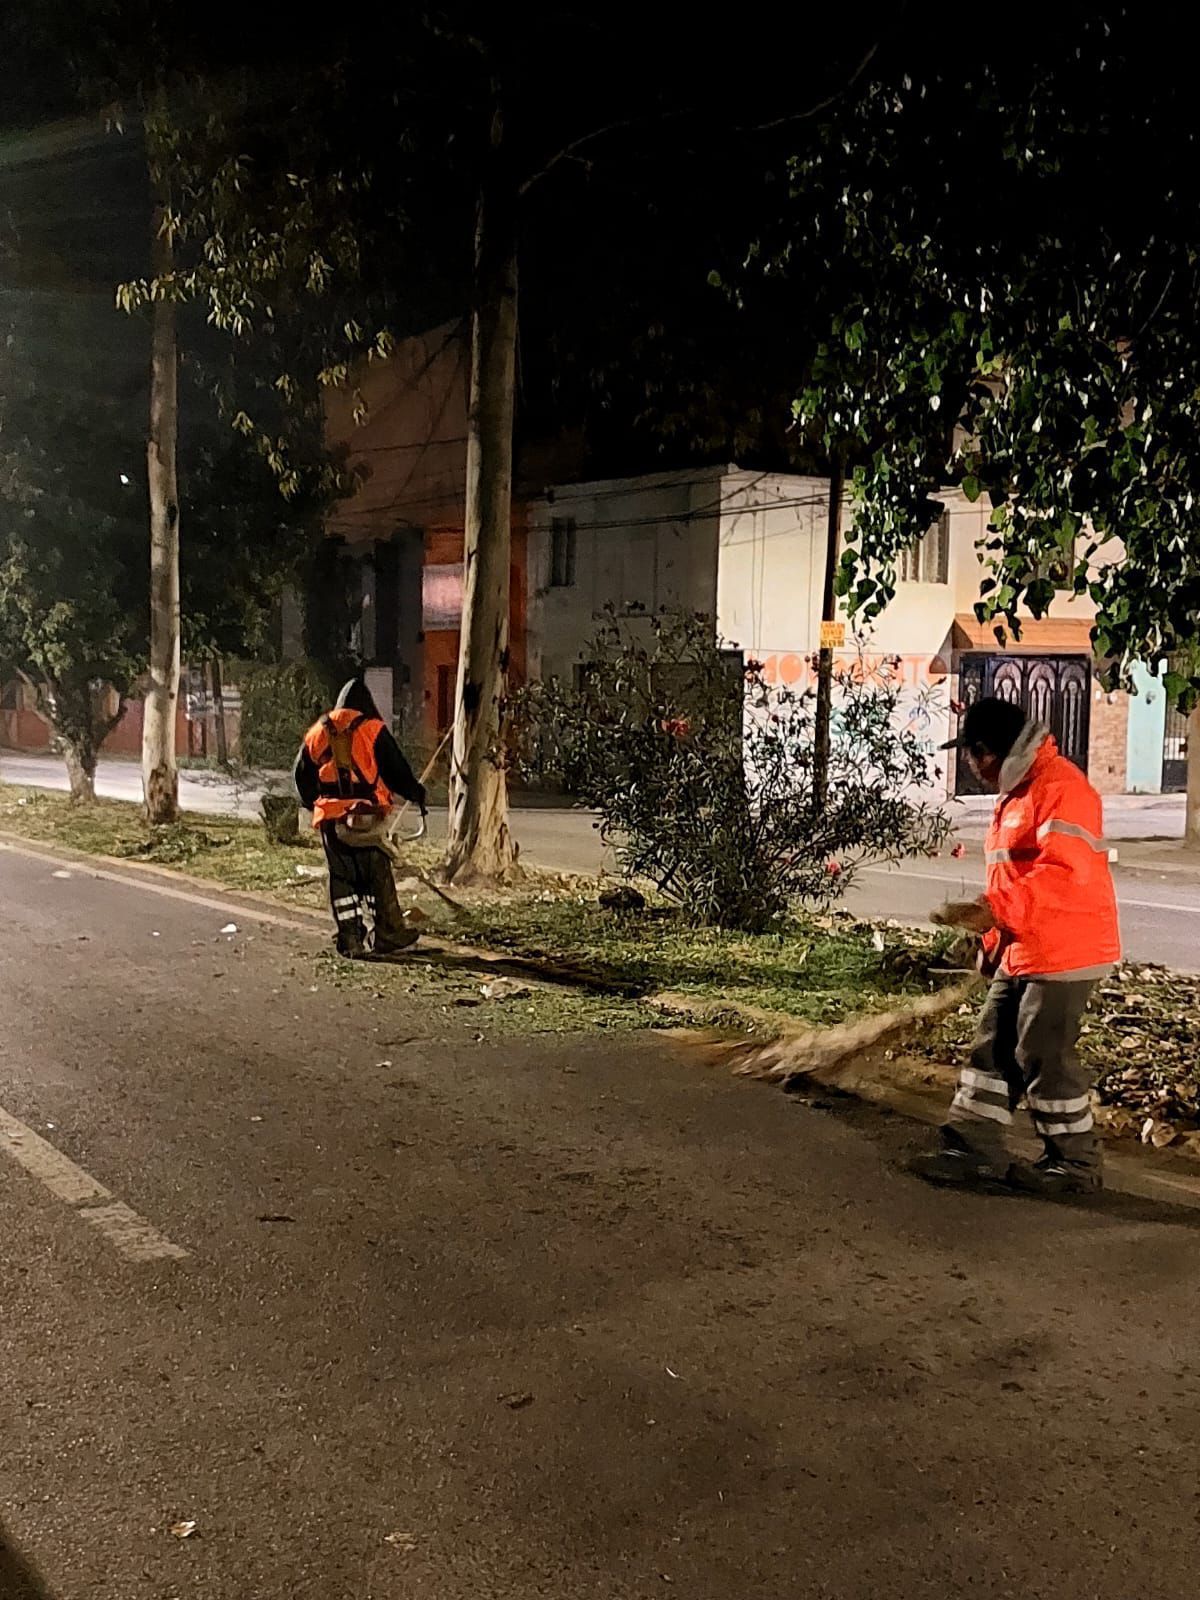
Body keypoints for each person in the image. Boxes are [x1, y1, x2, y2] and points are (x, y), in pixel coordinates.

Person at [911, 697, 1121, 1196]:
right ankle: (972, 1145)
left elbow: (1060, 877)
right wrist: (991, 943)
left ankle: (1074, 1165)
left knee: (1042, 1054)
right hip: (1028, 945)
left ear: (989, 751)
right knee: (994, 1044)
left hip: (1067, 951)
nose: (969, 766)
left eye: (970, 755)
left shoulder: (1062, 790)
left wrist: (995, 913)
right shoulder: (1020, 794)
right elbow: (1015, 881)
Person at [294, 678, 427, 959]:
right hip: (368, 817)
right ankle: (389, 934)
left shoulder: (319, 731)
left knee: (342, 878)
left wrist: (312, 802)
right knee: (377, 878)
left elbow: (301, 773)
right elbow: (395, 770)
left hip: (332, 821)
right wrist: (415, 793)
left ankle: (350, 938)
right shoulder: (372, 729)